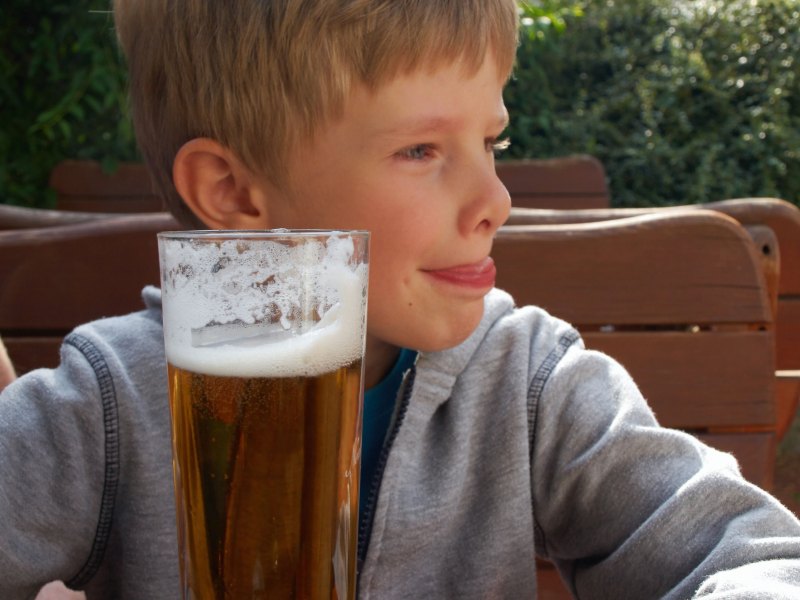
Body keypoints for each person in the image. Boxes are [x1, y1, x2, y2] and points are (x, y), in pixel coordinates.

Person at [2, 1, 800, 598]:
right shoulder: (108, 404)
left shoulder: (529, 380)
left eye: (493, 143)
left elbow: (752, 554)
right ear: (234, 191)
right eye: (420, 149)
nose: (496, 197)